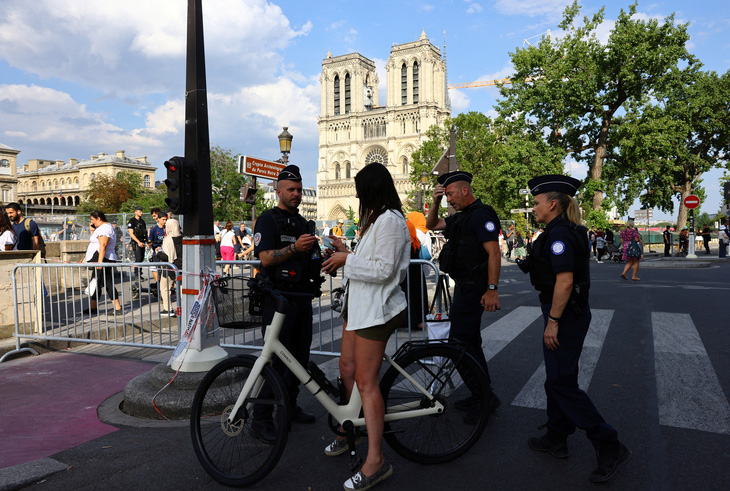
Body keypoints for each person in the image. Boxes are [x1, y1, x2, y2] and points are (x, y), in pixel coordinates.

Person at [517, 174, 630, 483]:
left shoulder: (559, 236)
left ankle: (609, 444)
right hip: (566, 313)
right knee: (558, 378)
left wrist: (553, 322)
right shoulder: (563, 231)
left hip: (565, 315)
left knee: (561, 384)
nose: (534, 207)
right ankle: (556, 437)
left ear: (552, 204)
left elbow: (564, 281)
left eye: (537, 202)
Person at [321, 162, 410, 491]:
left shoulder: (391, 221)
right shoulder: (376, 219)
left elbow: (384, 270)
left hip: (377, 309)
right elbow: (370, 261)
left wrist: (348, 260)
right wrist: (346, 253)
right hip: (359, 306)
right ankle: (348, 426)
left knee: (366, 381)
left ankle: (376, 461)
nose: (357, 196)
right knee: (347, 366)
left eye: (361, 190)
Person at [251, 164, 323, 442]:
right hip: (277, 301)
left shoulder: (304, 223)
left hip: (302, 299)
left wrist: (323, 256)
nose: (296, 194)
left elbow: (310, 258)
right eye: (291, 190)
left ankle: (289, 408)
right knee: (275, 361)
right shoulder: (268, 220)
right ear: (279, 191)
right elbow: (266, 258)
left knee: (299, 359)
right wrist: (294, 247)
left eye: (299, 190)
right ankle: (261, 419)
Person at [426, 170, 502, 411]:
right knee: (470, 343)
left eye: (449, 194)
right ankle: (483, 394)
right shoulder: (461, 217)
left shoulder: (481, 215)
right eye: (445, 195)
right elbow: (431, 224)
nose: (448, 199)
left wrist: (492, 289)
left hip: (474, 288)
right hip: (463, 287)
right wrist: (435, 202)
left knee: (458, 344)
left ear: (465, 190)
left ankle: (483, 398)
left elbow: (494, 253)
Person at [83, 211, 123, 314]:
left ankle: (118, 308)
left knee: (107, 283)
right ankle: (93, 307)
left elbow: (103, 245)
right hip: (102, 259)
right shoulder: (102, 228)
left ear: (99, 219)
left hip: (104, 259)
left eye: (93, 219)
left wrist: (100, 262)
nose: (92, 222)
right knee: (96, 282)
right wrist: (92, 230)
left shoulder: (105, 228)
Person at [157, 218, 182, 316]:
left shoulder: (168, 239)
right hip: (182, 267)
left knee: (164, 287)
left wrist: (158, 252)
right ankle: (185, 308)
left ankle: (168, 309)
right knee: (181, 288)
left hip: (170, 267)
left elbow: (166, 256)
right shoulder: (183, 238)